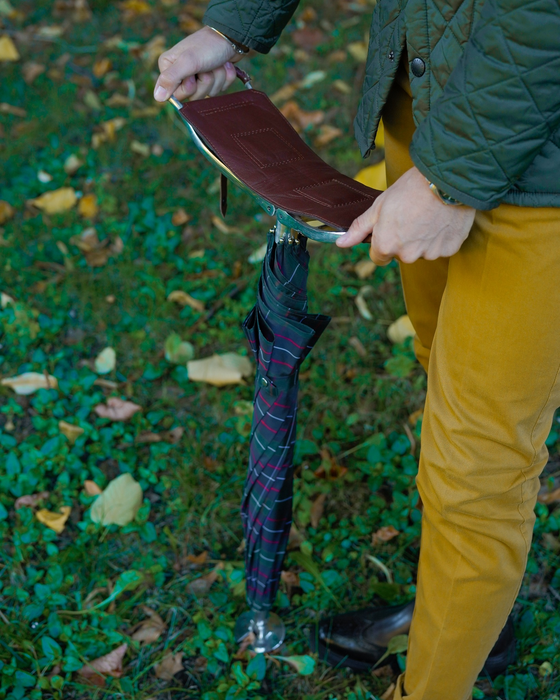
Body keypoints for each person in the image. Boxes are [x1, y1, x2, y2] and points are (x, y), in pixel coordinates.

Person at [153, 1, 560, 697]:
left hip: (538, 175)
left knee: (478, 469)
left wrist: (447, 179)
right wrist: (233, 27)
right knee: (448, 384)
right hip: (429, 96)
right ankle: (468, 622)